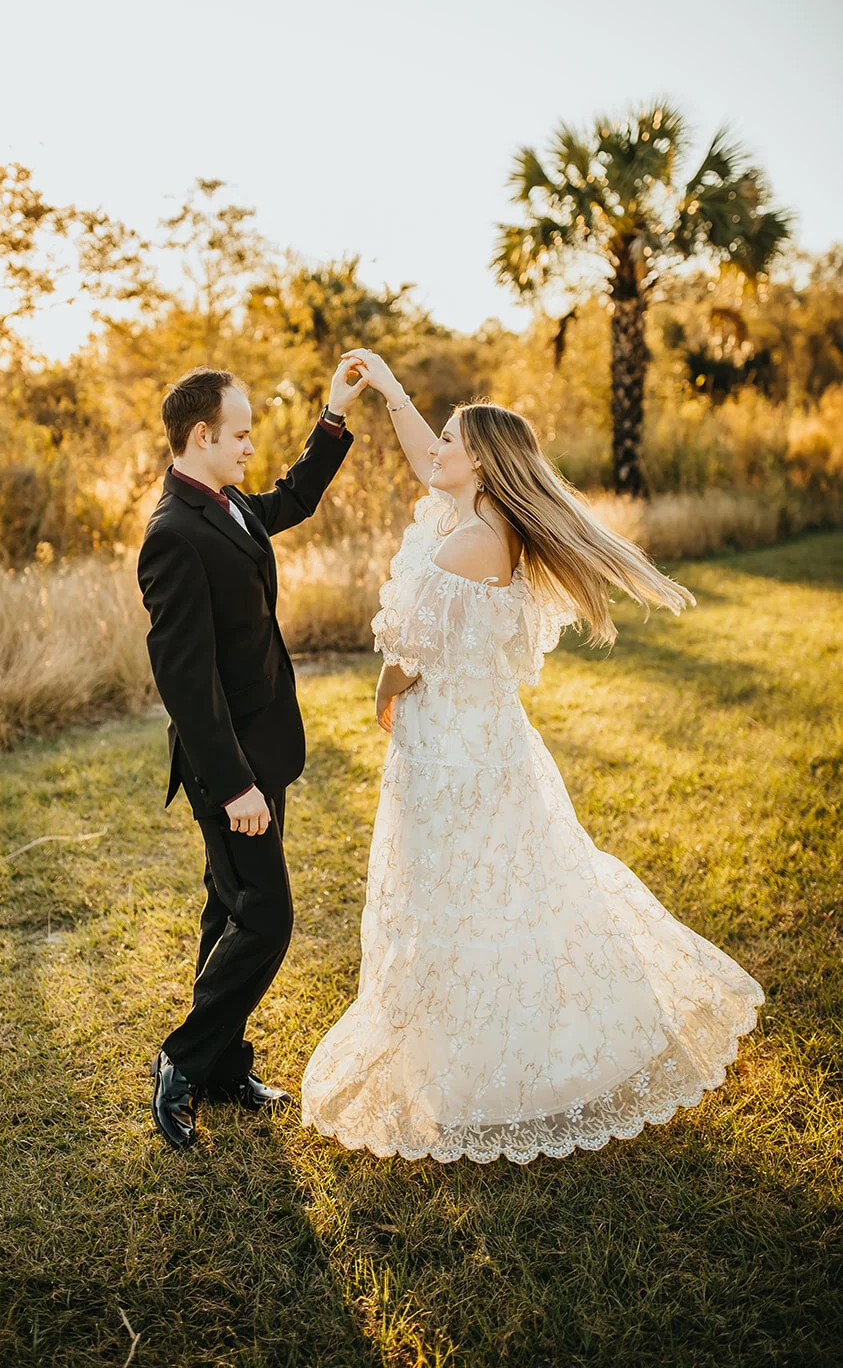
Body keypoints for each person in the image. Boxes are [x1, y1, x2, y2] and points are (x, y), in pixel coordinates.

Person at [300, 349, 765, 1164]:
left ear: (480, 462)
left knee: (454, 895)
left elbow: (409, 649)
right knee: (512, 886)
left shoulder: (464, 544)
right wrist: (386, 388)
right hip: (490, 741)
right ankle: (511, 1055)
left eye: (449, 441)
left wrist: (381, 692)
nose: (434, 450)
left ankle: (477, 1075)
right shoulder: (490, 525)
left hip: (451, 753)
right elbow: (427, 461)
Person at [138, 359, 368, 1148]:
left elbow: (293, 498)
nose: (248, 446)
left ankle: (222, 1066)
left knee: (231, 907)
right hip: (227, 770)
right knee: (266, 917)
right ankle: (182, 1060)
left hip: (265, 749)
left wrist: (333, 416)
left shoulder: (229, 503)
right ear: (201, 435)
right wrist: (236, 785)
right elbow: (184, 679)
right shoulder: (172, 535)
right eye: (238, 434)